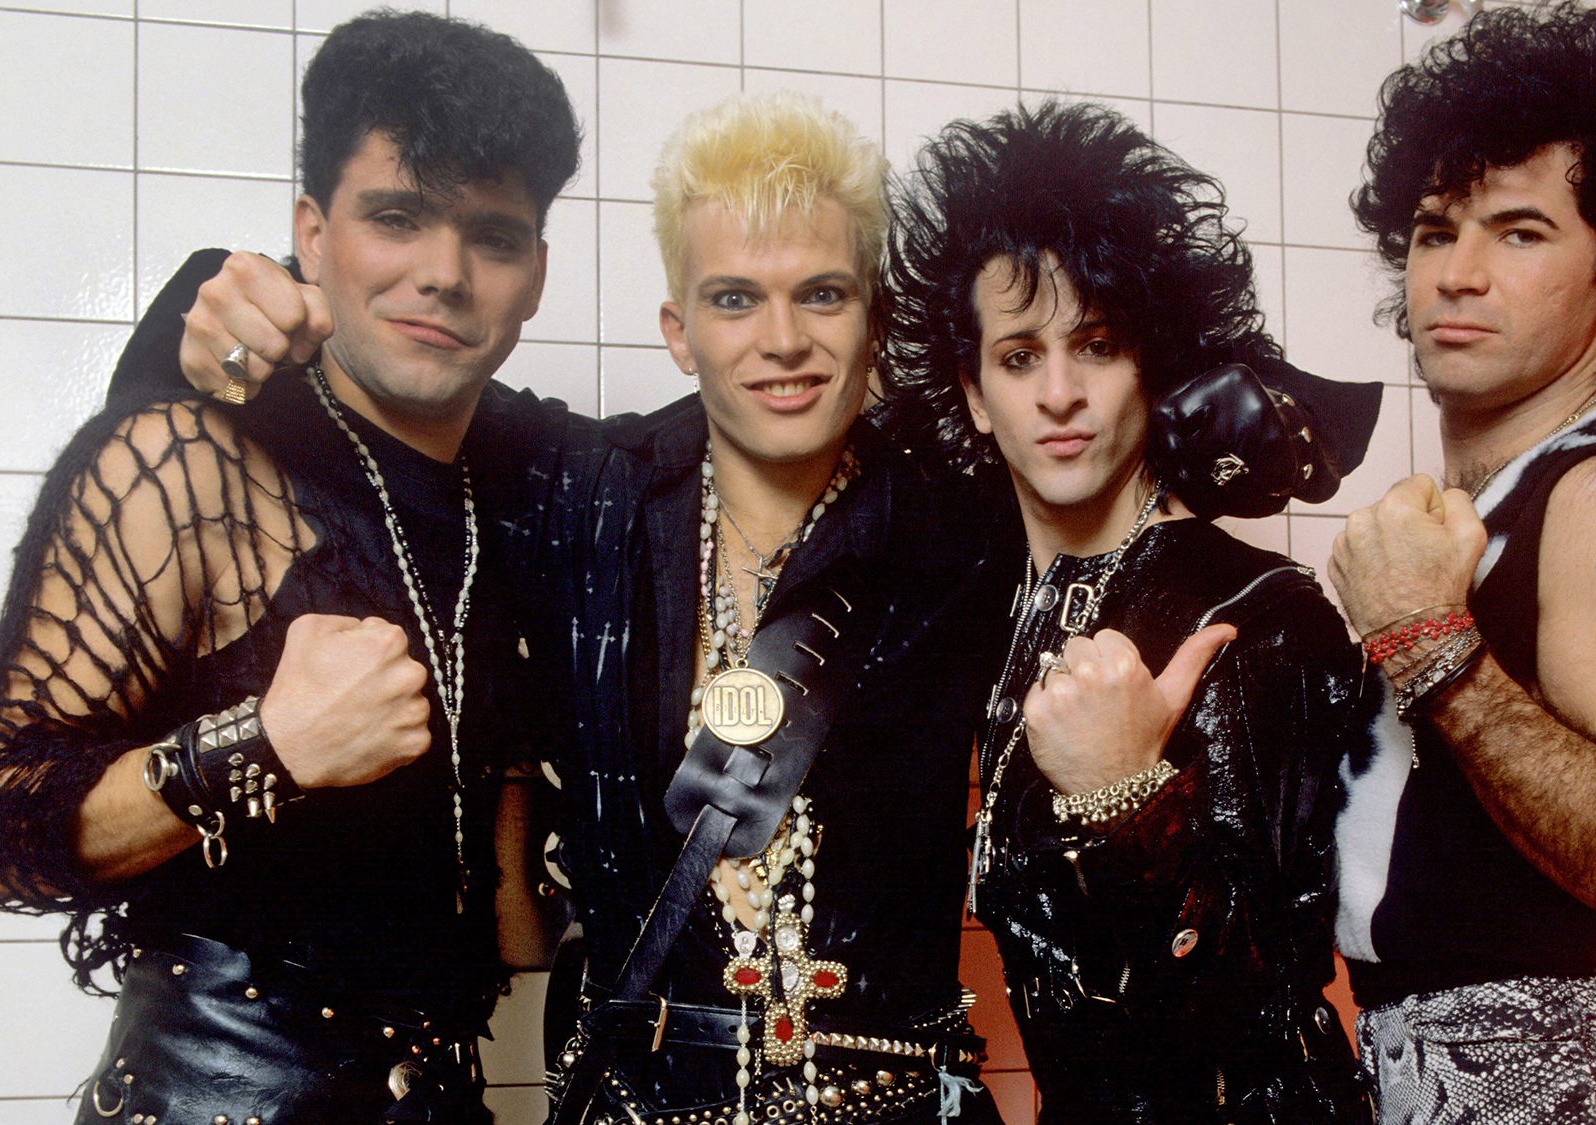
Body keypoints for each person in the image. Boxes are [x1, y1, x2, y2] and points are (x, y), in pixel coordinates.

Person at [105, 92, 1014, 1125]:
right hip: (640, 1104)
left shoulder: (965, 523)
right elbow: (356, 383)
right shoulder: (583, 486)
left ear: (875, 321)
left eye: (821, 295)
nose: (781, 341)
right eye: (731, 299)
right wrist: (223, 302)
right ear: (677, 330)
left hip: (895, 1104)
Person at [0, 11, 580, 1123]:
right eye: (395, 218)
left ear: (534, 274)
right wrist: (260, 747)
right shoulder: (182, 459)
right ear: (312, 235)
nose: (442, 273)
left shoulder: (530, 481)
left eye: (491, 236)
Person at [879, 100, 1382, 1124]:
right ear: (973, 393)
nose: (1058, 392)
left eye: (1095, 347)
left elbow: (1256, 998)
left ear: (1150, 368)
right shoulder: (993, 613)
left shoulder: (1252, 616)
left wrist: (1126, 802)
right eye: (1018, 356)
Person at [1324, 4, 1596, 1122]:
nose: (1456, 274)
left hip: (1545, 1076)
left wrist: (1423, 639)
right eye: (1431, 231)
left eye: (1516, 232)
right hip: (1407, 1063)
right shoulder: (1477, 509)